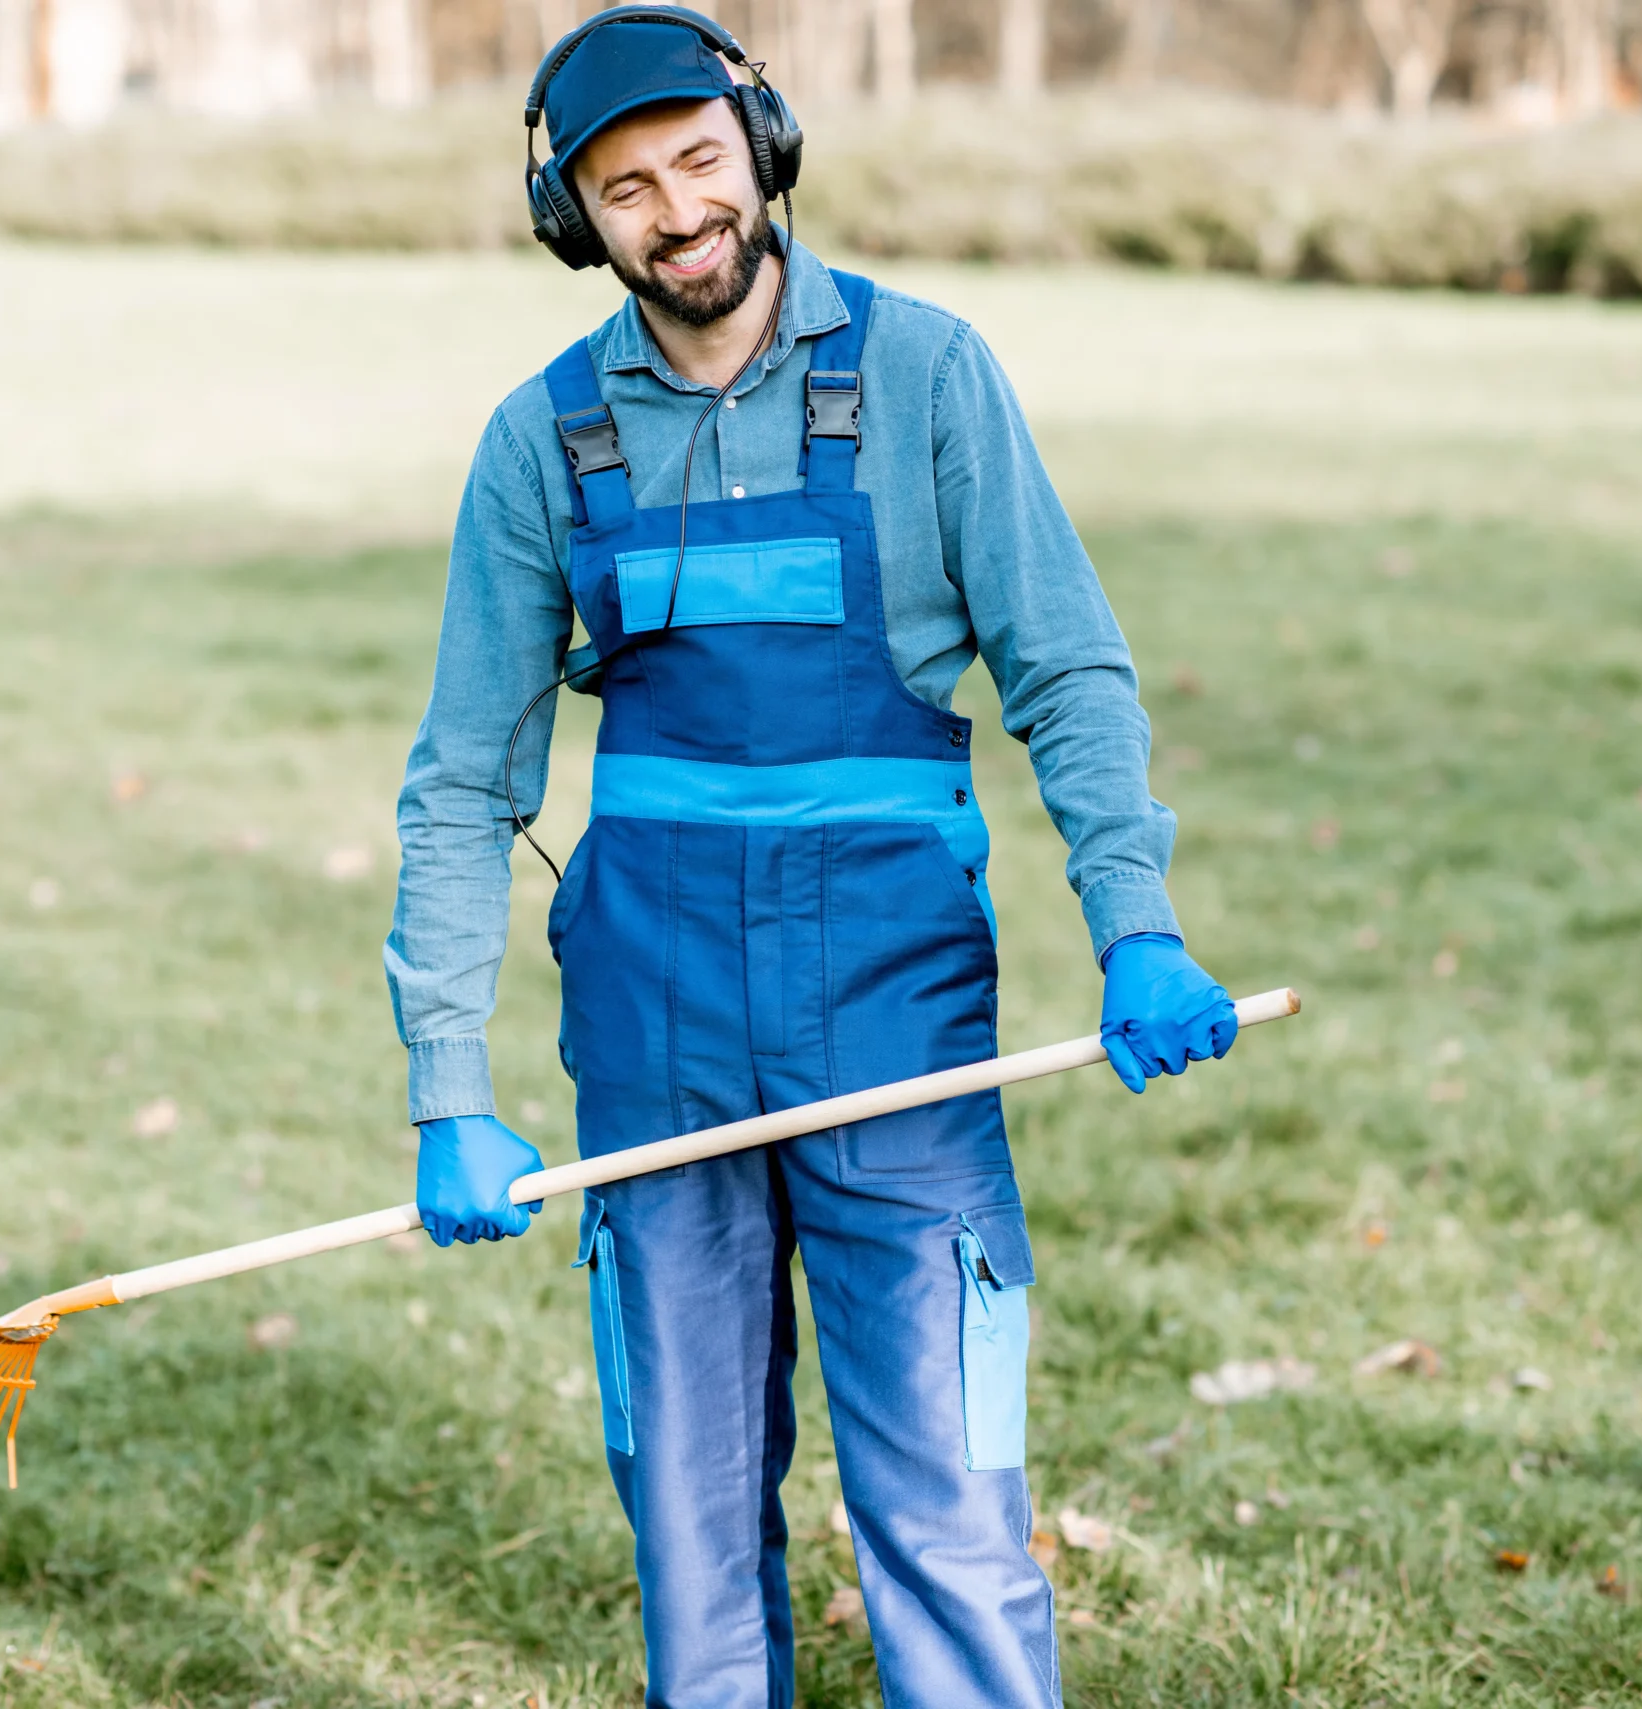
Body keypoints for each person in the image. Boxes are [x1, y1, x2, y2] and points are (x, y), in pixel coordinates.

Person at [384, 8, 1239, 1702]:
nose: (675, 210)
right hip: (657, 1042)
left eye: (699, 160)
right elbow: (460, 785)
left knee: (947, 1498)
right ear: (577, 220)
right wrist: (445, 1087)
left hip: (894, 1030)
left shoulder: (930, 376)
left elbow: (1063, 669)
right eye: (624, 187)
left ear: (760, 149)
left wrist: (1136, 923)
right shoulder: (541, 441)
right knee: (691, 1525)